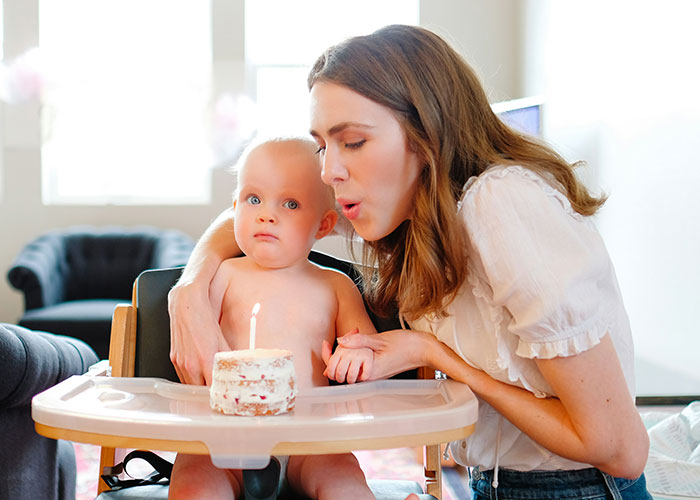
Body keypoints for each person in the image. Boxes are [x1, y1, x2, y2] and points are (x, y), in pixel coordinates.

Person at [169, 25, 652, 500]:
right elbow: (252, 211)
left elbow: (618, 449)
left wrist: (432, 353)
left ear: (425, 137)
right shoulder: (403, 209)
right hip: (493, 484)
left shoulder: (501, 204)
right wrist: (189, 291)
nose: (328, 171)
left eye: (352, 142)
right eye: (322, 145)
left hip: (580, 490)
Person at [169, 137, 380, 500]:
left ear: (324, 224)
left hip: (310, 441)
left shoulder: (337, 286)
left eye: (291, 203)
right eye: (254, 199)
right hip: (221, 438)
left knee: (344, 482)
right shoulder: (222, 276)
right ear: (235, 207)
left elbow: (368, 348)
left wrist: (358, 358)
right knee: (194, 483)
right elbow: (192, 350)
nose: (267, 214)